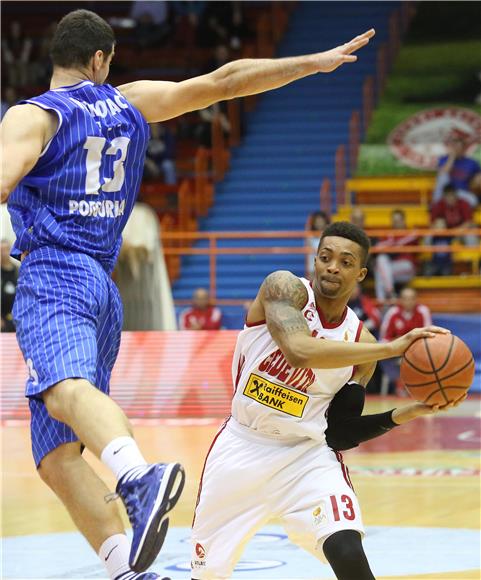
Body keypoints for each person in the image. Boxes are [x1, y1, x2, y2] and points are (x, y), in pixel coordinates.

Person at [0, 9, 376, 578]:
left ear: (57, 56)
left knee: (62, 391)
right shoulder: (127, 101)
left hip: (56, 275)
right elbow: (225, 81)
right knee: (56, 457)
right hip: (103, 286)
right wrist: (312, 64)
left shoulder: (31, 115)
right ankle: (129, 569)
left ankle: (137, 477)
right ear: (101, 60)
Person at [191, 222, 463, 580]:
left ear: (360, 273)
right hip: (241, 448)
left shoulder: (360, 344)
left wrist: (411, 411)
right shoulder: (283, 288)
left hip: (305, 455)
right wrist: (391, 348)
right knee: (206, 574)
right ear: (315, 261)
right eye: (325, 257)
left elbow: (340, 433)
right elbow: (299, 350)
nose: (333, 266)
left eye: (345, 262)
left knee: (347, 548)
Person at [379, 287, 432, 395]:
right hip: (396, 351)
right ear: (400, 300)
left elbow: (428, 335)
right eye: (405, 298)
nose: (409, 301)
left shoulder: (423, 311)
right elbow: (384, 338)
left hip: (416, 351)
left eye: (411, 298)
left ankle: (417, 387)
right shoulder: (392, 313)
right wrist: (400, 344)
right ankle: (399, 384)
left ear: (416, 299)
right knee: (379, 350)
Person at [374, 209, 418, 301]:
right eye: (394, 221)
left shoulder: (411, 232)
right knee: (381, 261)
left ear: (403, 220)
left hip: (407, 267)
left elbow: (398, 244)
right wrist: (392, 246)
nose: (396, 223)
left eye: (398, 220)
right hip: (391, 268)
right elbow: (378, 247)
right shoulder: (390, 234)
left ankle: (383, 300)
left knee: (379, 271)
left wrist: (391, 246)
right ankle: (389, 295)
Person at [432, 133, 481, 205]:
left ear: (464, 148)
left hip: (460, 193)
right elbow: (442, 174)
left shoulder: (471, 162)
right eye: (454, 146)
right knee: (443, 176)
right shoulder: (444, 159)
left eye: (458, 146)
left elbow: (478, 178)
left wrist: (475, 181)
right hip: (444, 193)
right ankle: (437, 205)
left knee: (472, 200)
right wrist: (452, 157)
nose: (456, 149)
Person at [1, 238, 18, 332]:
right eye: (1, 250)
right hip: (2, 319)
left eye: (6, 249)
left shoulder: (18, 271)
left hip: (17, 317)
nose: (3, 253)